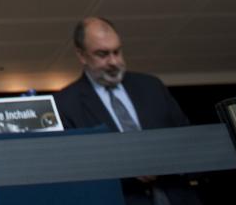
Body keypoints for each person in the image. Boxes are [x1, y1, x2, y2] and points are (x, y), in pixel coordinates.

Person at [54, 17, 202, 205]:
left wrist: (165, 162)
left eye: (117, 51)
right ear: (81, 55)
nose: (114, 61)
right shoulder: (66, 103)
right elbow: (73, 165)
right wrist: (126, 167)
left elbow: (188, 140)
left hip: (178, 197)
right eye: (102, 54)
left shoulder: (151, 86)